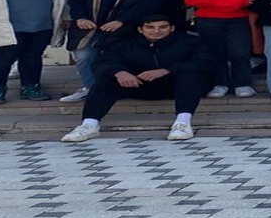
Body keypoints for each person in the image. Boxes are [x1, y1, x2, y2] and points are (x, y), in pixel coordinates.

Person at [60, 14, 212, 142]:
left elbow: (205, 63)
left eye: (163, 27)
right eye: (150, 27)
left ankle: (183, 123)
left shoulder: (190, 42)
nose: (156, 31)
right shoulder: (124, 44)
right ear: (140, 29)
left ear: (171, 28)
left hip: (175, 86)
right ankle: (89, 125)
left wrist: (166, 70)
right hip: (137, 85)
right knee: (104, 81)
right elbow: (103, 63)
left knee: (190, 76)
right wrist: (118, 72)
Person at [62, 0, 165, 103]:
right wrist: (80, 17)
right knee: (84, 55)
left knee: (116, 59)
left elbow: (148, 4)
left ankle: (114, 89)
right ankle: (89, 88)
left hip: (127, 28)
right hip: (92, 26)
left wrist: (122, 20)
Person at [182, 0, 255, 98]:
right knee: (215, 53)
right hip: (208, 20)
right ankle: (220, 83)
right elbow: (192, 0)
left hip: (239, 19)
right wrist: (236, 1)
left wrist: (214, 2)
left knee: (240, 53)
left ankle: (243, 83)